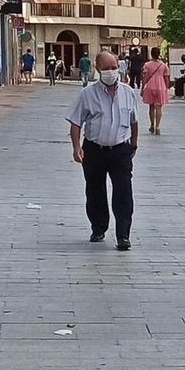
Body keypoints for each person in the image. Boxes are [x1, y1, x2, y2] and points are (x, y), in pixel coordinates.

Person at [66, 51, 142, 250]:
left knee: (123, 191)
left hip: (120, 150)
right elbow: (76, 122)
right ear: (97, 69)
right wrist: (76, 147)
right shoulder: (87, 94)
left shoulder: (128, 93)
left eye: (114, 67)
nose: (111, 72)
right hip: (94, 149)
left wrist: (133, 144)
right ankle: (98, 227)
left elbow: (134, 121)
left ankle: (123, 235)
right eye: (106, 68)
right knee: (95, 190)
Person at [141, 46, 171, 135]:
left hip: (150, 86)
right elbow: (166, 78)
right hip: (161, 86)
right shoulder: (163, 65)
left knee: (151, 107)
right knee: (159, 107)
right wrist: (167, 88)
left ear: (151, 54)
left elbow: (145, 77)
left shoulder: (147, 65)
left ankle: (152, 125)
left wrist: (142, 88)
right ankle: (158, 126)